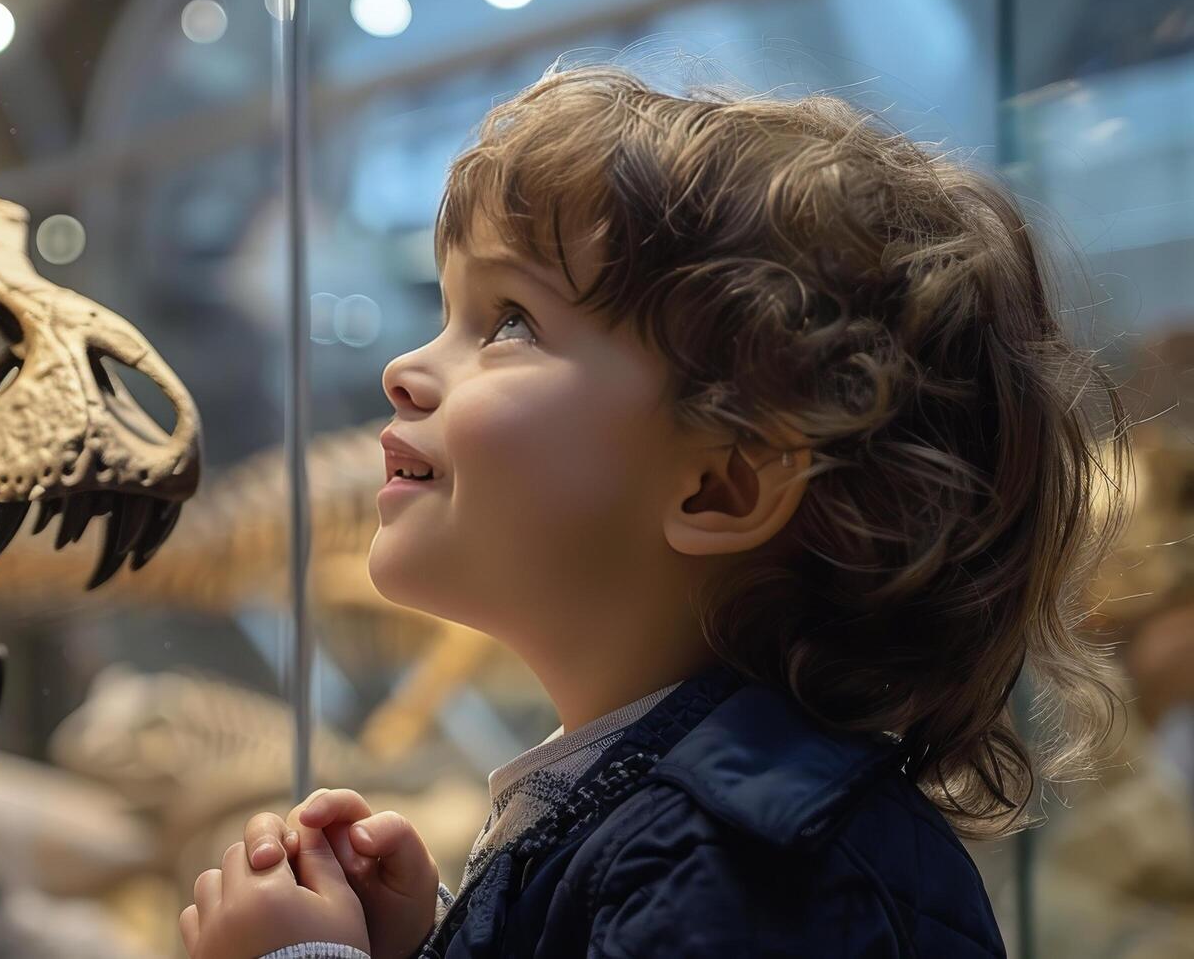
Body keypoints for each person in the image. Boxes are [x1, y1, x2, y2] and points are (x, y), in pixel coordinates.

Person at [176, 60, 1130, 959]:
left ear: (723, 486)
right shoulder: (658, 822)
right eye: (449, 312)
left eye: (509, 321)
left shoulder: (743, 864)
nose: (404, 370)